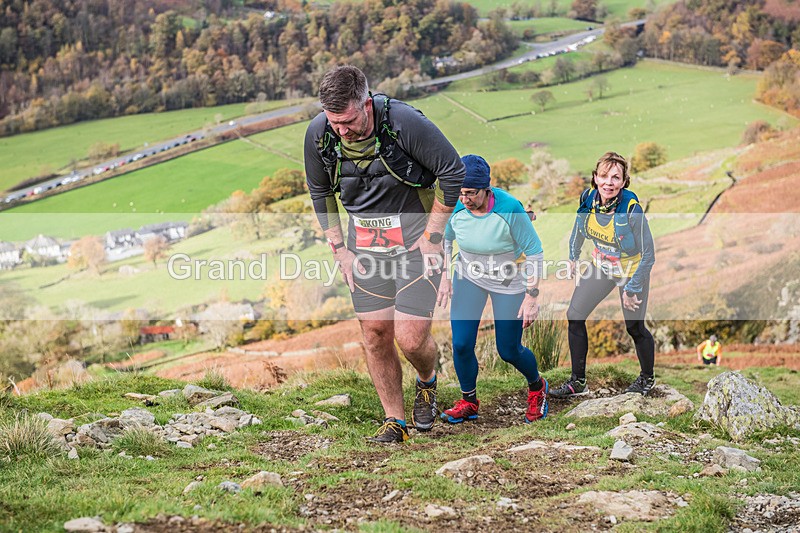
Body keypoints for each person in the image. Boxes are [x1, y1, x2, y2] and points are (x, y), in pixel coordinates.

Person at [304, 65, 465, 443]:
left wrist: (434, 237)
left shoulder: (403, 122)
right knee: (375, 333)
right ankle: (396, 421)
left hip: (416, 244)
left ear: (366, 101)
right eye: (333, 121)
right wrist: (338, 249)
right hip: (364, 249)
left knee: (410, 338)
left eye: (347, 120)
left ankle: (427, 380)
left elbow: (452, 172)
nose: (340, 130)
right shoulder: (320, 133)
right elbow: (320, 193)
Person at [436, 155, 548, 424]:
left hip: (508, 281)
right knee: (462, 344)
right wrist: (445, 276)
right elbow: (446, 241)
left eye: (471, 193)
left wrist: (531, 296)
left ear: (486, 188)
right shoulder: (457, 206)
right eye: (461, 193)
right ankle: (469, 402)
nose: (465, 199)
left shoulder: (509, 209)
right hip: (469, 277)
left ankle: (537, 387)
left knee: (508, 350)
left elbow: (535, 252)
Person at [550, 151, 657, 399]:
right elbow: (578, 227)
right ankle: (578, 382)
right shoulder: (588, 199)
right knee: (574, 316)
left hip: (631, 271)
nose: (609, 182)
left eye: (616, 177)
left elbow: (648, 256)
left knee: (634, 327)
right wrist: (573, 257)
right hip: (602, 266)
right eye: (604, 176)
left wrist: (631, 288)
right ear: (595, 178)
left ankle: (647, 378)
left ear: (623, 182)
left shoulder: (632, 210)